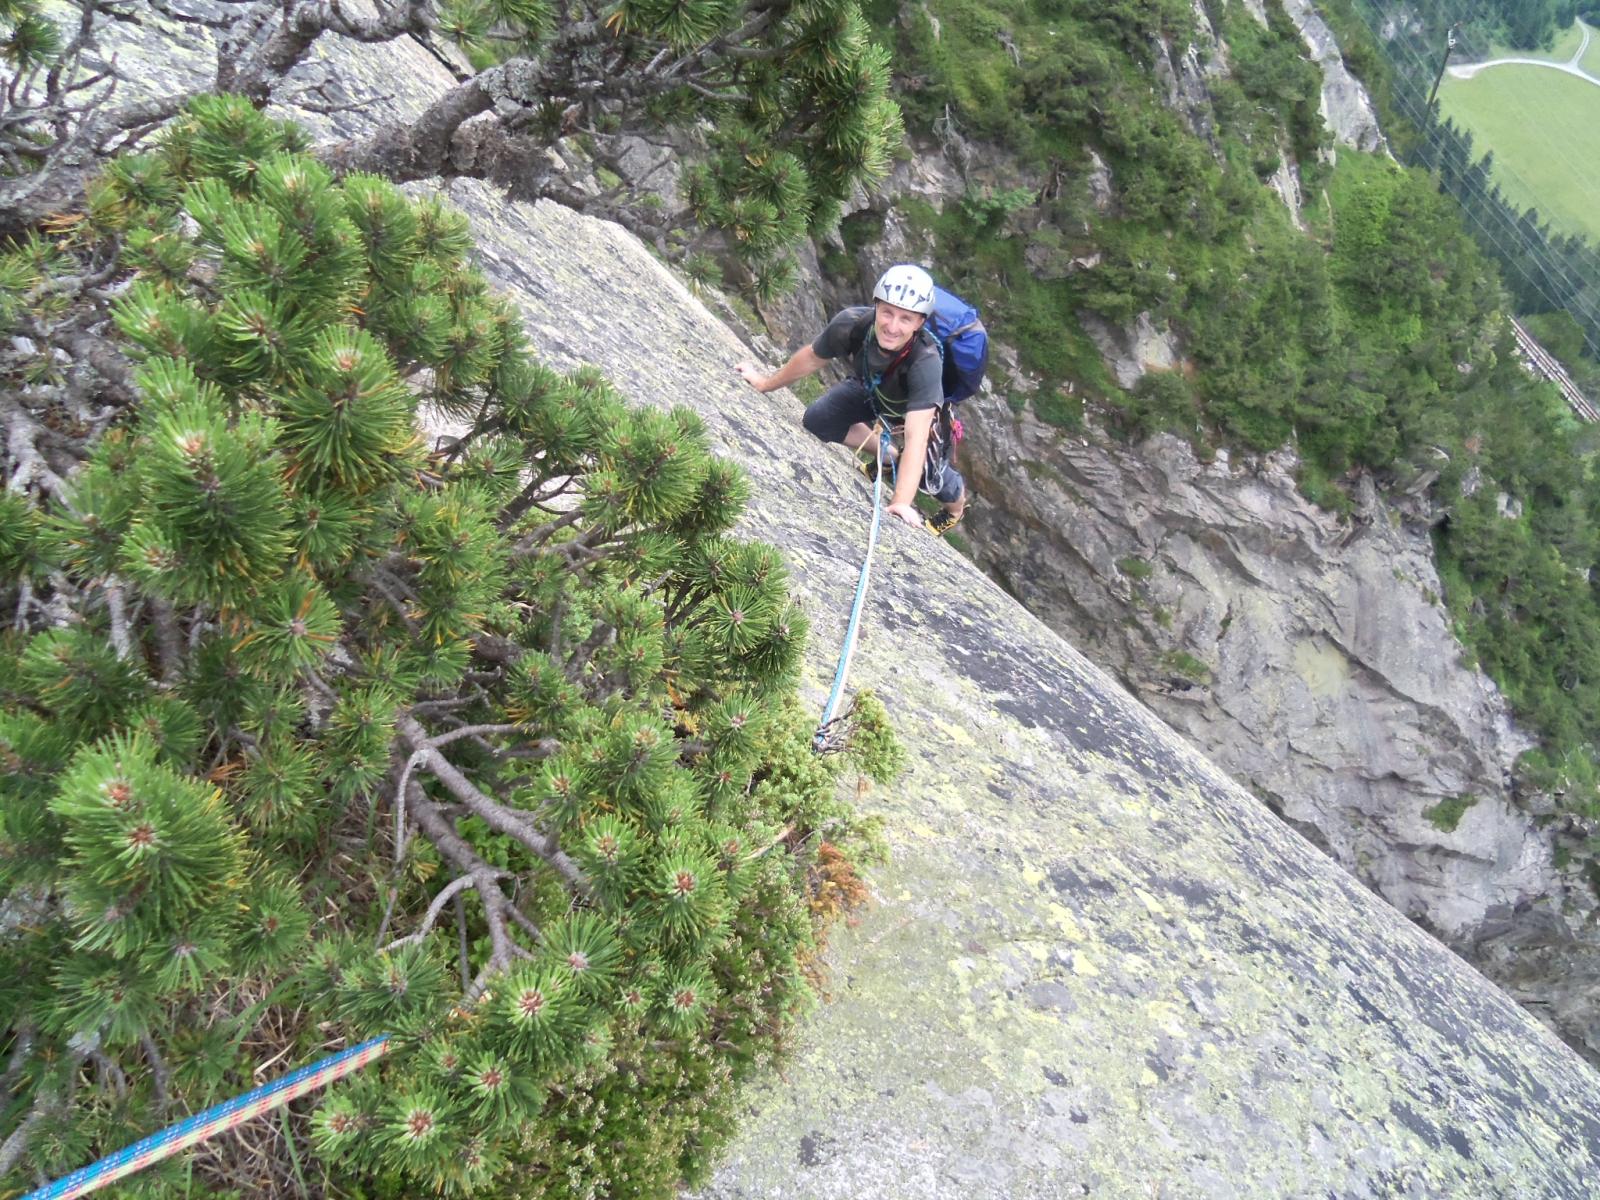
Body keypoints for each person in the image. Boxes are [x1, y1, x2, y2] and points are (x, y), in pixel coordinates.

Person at [734, 264, 967, 536]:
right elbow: (811, 357)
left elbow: (917, 437)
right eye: (887, 313)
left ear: (919, 323)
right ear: (876, 306)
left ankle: (955, 511)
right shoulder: (853, 324)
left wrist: (900, 502)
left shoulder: (925, 361)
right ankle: (889, 458)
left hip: (915, 412)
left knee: (932, 478)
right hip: (872, 388)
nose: (892, 326)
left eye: (905, 318)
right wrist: (764, 383)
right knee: (818, 420)